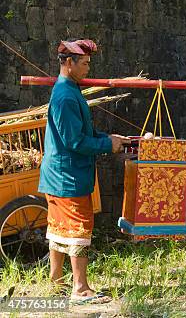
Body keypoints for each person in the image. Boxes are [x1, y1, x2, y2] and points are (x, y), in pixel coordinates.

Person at [38, 40, 130, 302]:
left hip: (59, 174)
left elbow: (82, 133)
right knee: (79, 228)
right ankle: (80, 288)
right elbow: (75, 141)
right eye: (85, 63)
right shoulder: (66, 96)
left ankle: (56, 281)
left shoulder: (69, 90)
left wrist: (109, 137)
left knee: (58, 229)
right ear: (69, 63)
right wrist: (106, 145)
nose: (89, 68)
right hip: (68, 176)